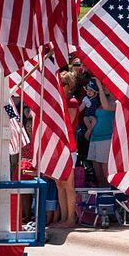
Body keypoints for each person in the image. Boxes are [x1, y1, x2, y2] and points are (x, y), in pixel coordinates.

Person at [55, 71, 79, 227]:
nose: (60, 86)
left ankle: (71, 218)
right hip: (57, 146)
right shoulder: (57, 101)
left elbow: (66, 123)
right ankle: (63, 218)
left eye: (63, 83)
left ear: (69, 86)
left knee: (69, 185)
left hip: (69, 146)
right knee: (59, 184)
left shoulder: (72, 101)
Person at [87, 78, 116, 187]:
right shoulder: (101, 100)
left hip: (106, 139)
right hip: (94, 138)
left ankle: (110, 198)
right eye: (102, 86)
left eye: (105, 86)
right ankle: (102, 197)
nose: (103, 88)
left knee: (106, 173)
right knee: (98, 173)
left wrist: (99, 86)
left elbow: (107, 107)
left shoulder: (117, 102)